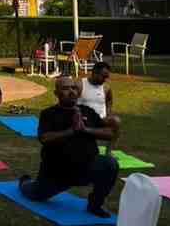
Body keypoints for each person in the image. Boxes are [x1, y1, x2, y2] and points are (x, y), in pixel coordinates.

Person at [19, 76, 120, 218]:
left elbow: (110, 133)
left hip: (85, 169)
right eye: (66, 88)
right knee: (34, 194)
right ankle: (25, 181)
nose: (71, 91)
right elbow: (44, 138)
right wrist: (71, 131)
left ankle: (95, 205)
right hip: (57, 173)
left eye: (74, 88)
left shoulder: (87, 111)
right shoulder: (49, 113)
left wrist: (85, 129)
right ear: (56, 93)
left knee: (110, 164)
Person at [77, 61, 120, 155]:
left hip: (100, 120)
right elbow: (72, 103)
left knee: (116, 121)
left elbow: (109, 101)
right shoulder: (80, 85)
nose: (105, 79)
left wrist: (108, 113)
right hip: (85, 120)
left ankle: (109, 152)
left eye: (107, 77)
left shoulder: (106, 88)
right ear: (94, 72)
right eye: (103, 76)